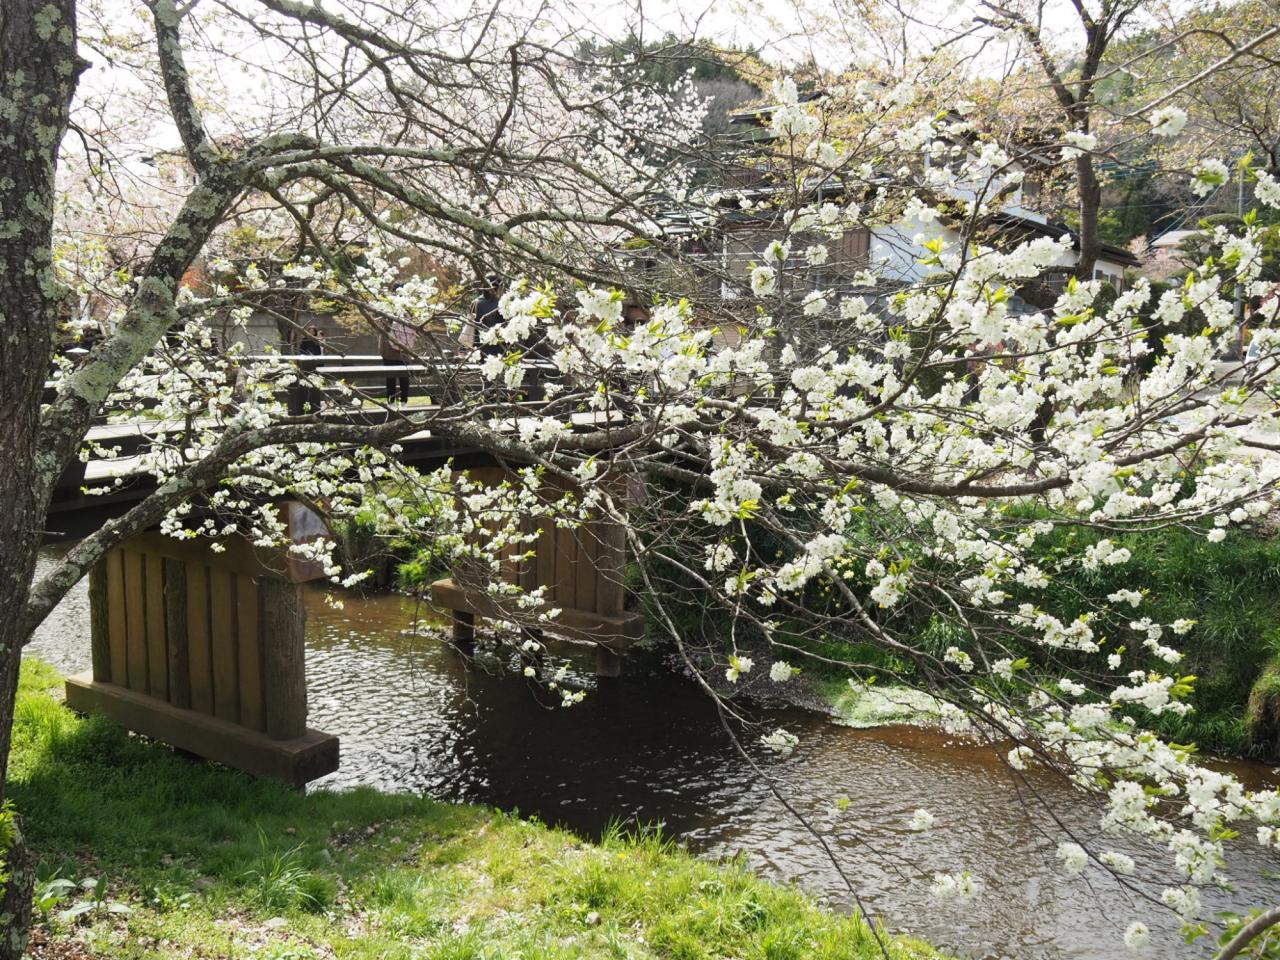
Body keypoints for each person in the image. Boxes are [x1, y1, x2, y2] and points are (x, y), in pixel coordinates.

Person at [382, 319, 417, 404]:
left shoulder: (389, 319)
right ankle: (399, 401)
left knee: (395, 379)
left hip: (393, 353)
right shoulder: (408, 320)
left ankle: (394, 402)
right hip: (399, 353)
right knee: (401, 378)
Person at [473, 274, 504, 358]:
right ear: (498, 287)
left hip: (481, 348)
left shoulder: (476, 303)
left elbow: (472, 328)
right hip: (500, 347)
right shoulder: (502, 304)